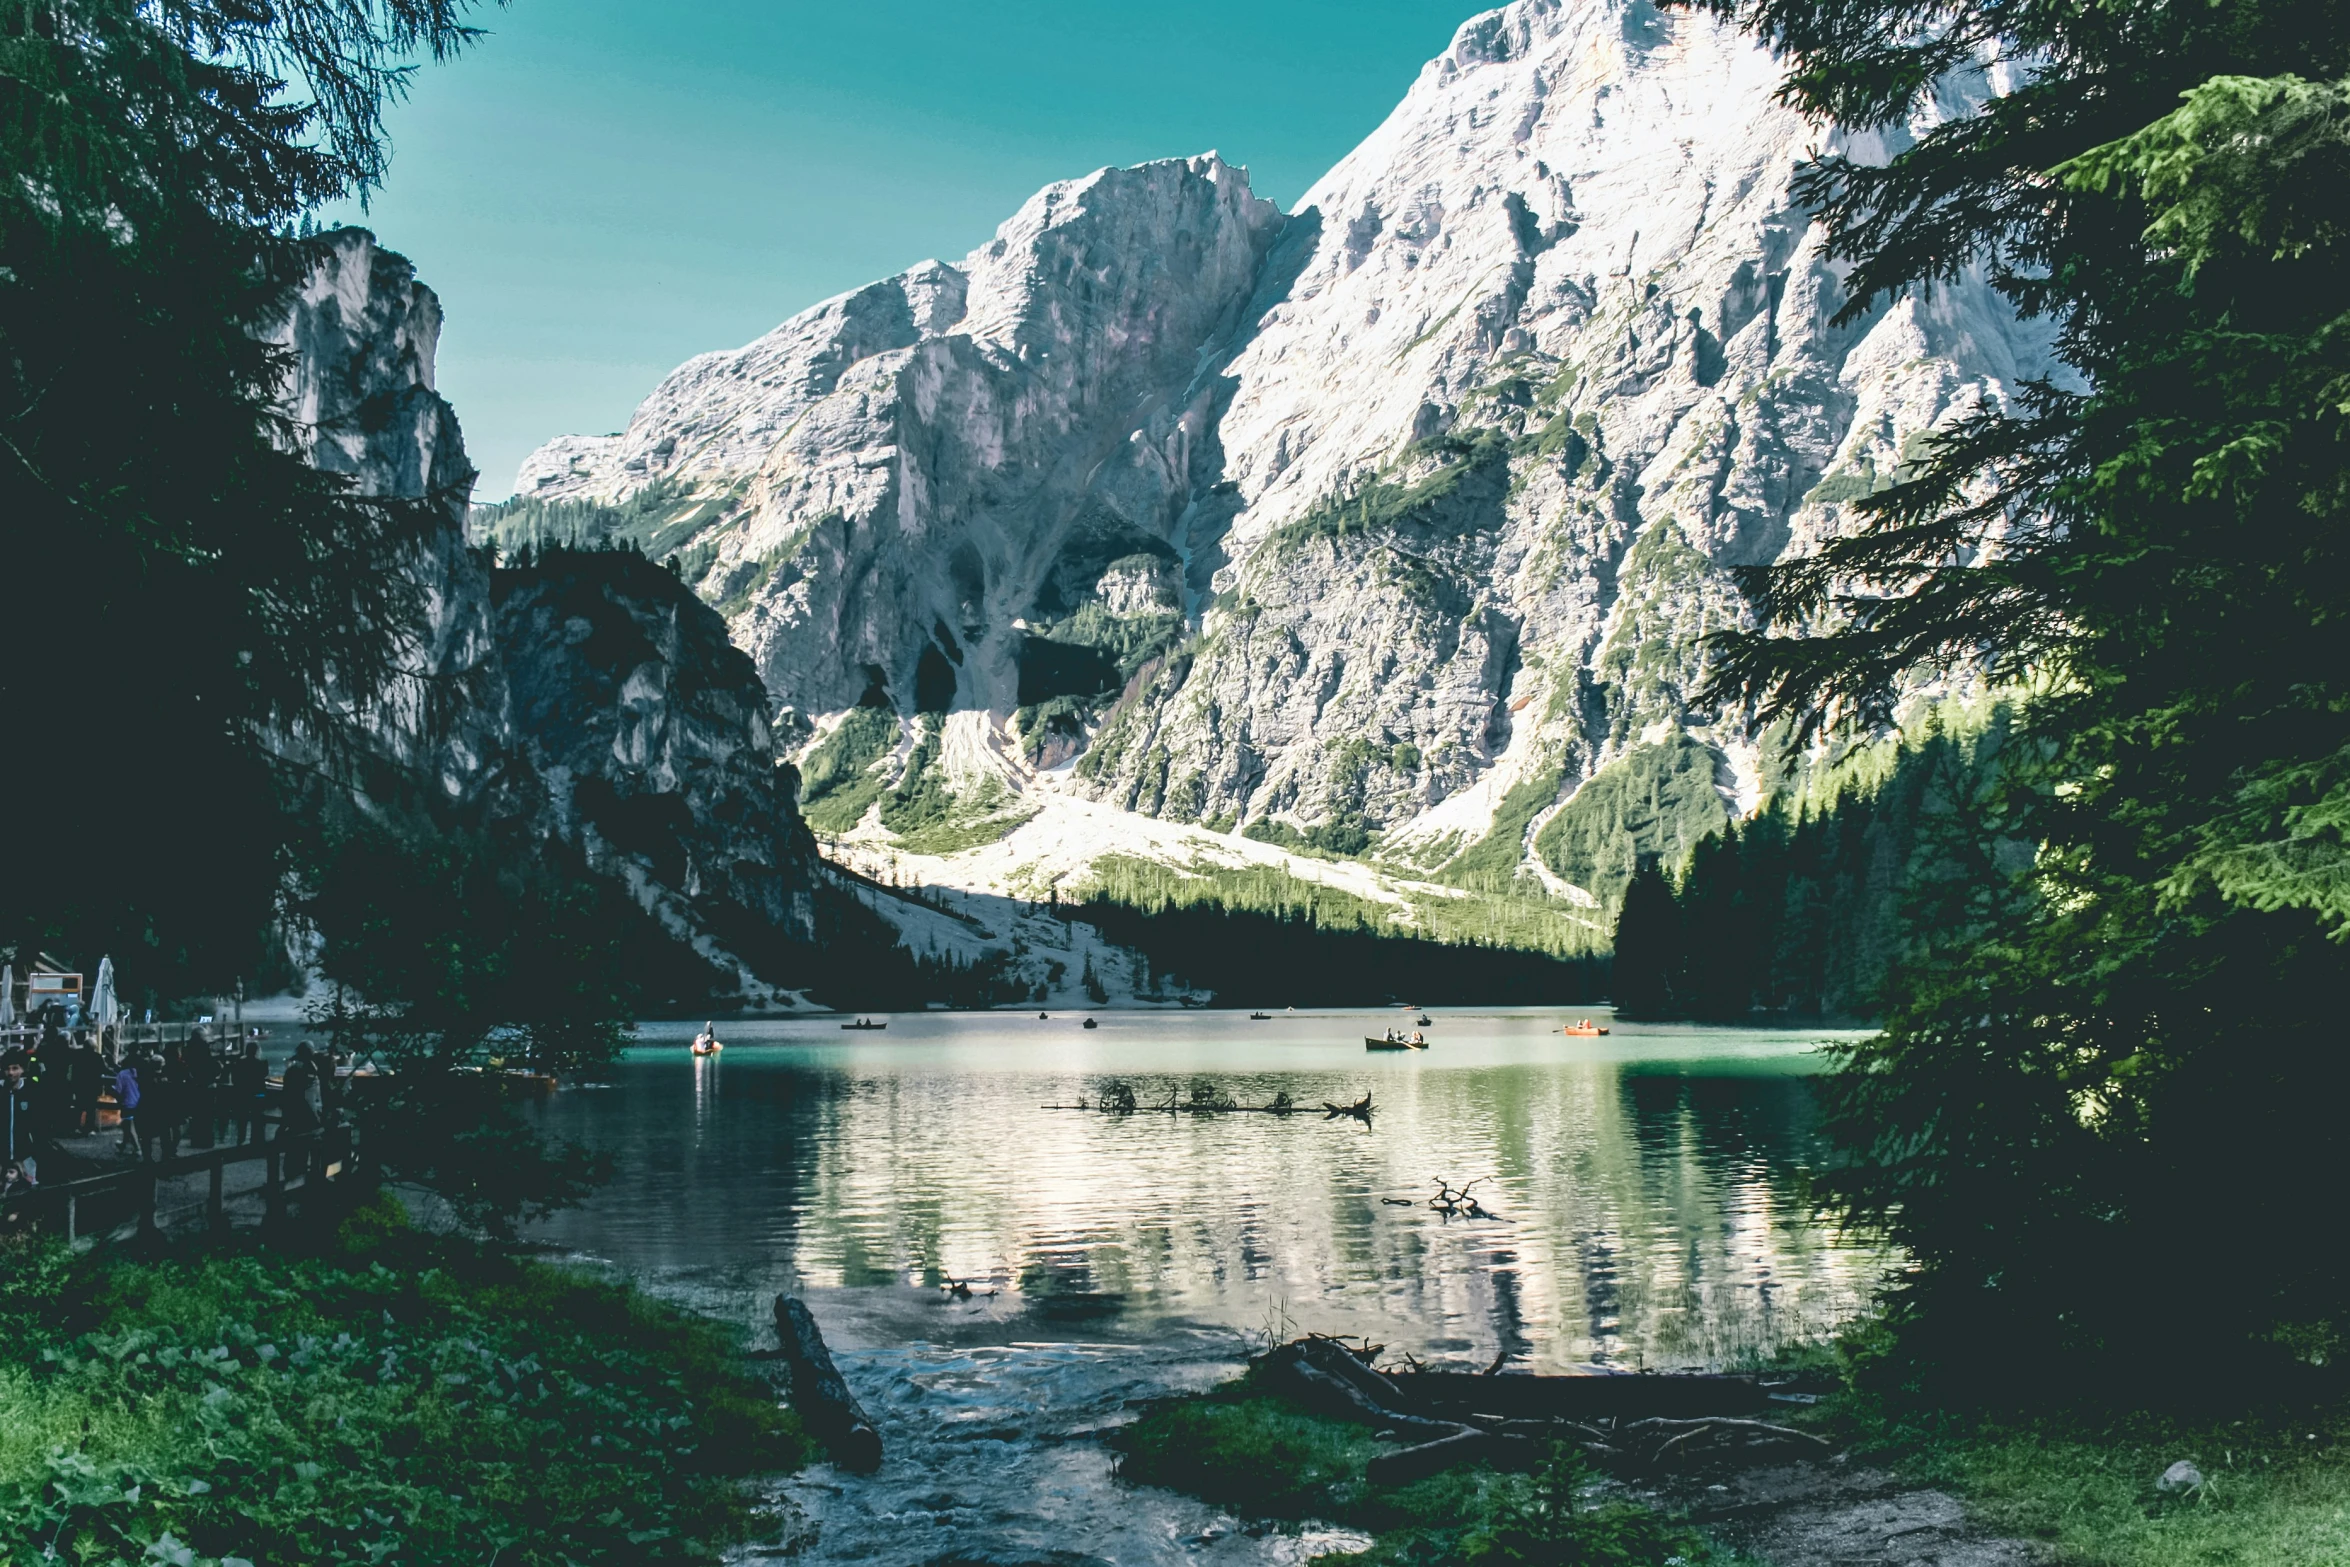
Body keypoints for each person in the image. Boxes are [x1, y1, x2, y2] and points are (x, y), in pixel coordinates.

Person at [278, 1043, 322, 1181]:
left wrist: (284, 1123)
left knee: (293, 1156)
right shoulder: (315, 1074)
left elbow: (287, 1098)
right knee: (306, 1154)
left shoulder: (292, 1072)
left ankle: (291, 1182)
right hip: (313, 1120)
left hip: (296, 1120)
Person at [2, 1051, 38, 1186]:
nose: (10, 1073)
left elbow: (39, 1127)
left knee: (27, 1196)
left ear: (23, 1069)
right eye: (7, 1068)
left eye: (15, 1068)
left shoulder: (32, 1092)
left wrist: (35, 1154)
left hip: (26, 1157)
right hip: (2, 1157)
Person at [230, 1042, 268, 1145]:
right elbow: (264, 1076)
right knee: (258, 1118)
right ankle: (256, 1142)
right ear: (257, 1051)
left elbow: (234, 1080)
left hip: (242, 1096)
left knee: (242, 1120)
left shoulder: (239, 1063)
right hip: (258, 1096)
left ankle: (240, 1140)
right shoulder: (262, 1064)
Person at [69, 1032, 103, 1135]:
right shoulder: (97, 1057)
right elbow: (103, 1069)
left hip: (80, 1085)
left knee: (79, 1107)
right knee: (91, 1109)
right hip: (92, 1086)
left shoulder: (77, 1055)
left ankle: (76, 1127)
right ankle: (89, 1129)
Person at [114, 1053, 145, 1160]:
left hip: (127, 1103)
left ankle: (137, 1149)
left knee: (129, 1126)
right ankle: (123, 1144)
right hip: (139, 1102)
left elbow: (118, 1090)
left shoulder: (122, 1074)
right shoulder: (140, 1073)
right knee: (128, 1124)